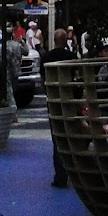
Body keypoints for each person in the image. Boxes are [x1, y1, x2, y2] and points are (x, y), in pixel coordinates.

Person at [43, 29, 74, 187]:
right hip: (69, 101)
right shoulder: (71, 57)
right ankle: (73, 173)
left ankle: (60, 175)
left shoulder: (47, 58)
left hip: (54, 101)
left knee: (57, 138)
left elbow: (44, 79)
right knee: (71, 137)